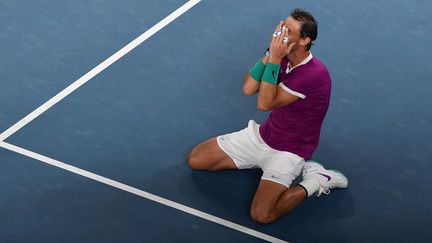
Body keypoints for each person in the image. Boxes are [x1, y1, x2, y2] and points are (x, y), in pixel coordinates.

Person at [187, 9, 348, 224]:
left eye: (288, 30)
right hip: (263, 136)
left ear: (305, 40)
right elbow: (248, 88)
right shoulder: (280, 55)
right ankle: (256, 161)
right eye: (282, 26)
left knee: (263, 215)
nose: (281, 33)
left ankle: (317, 180)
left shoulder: (314, 74)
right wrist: (269, 54)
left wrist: (273, 57)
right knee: (196, 159)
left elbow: (264, 104)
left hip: (289, 152)